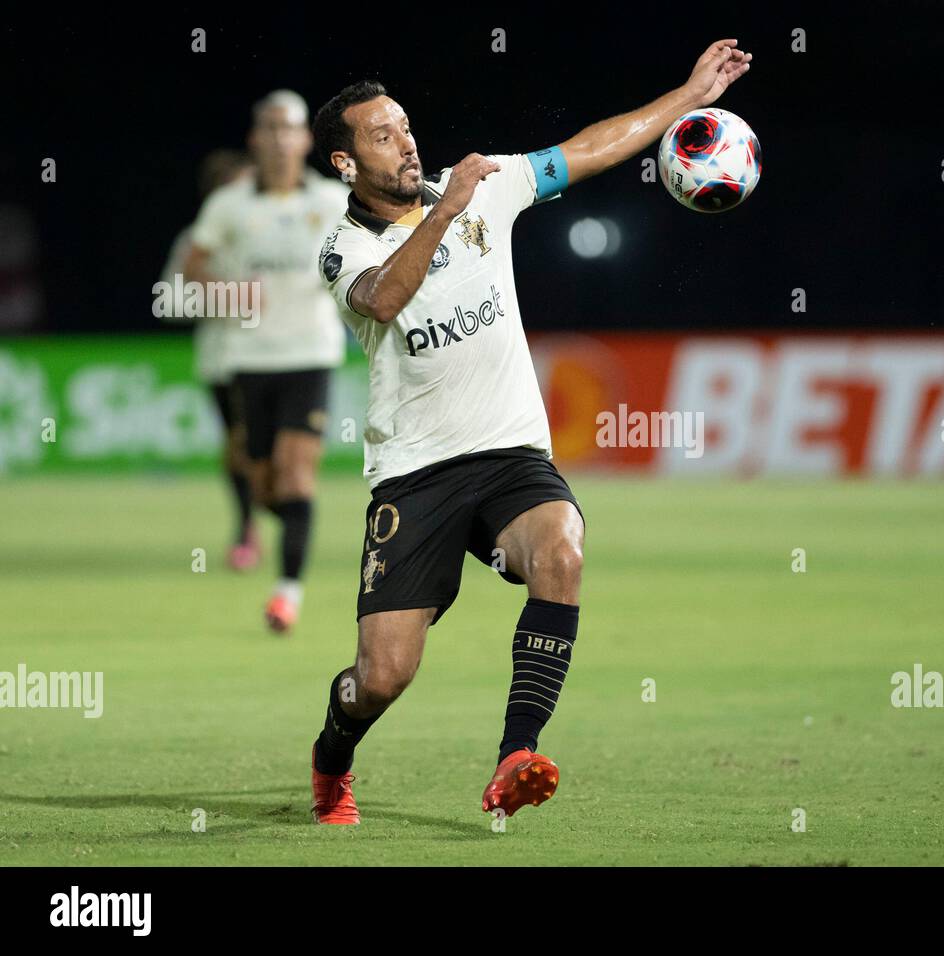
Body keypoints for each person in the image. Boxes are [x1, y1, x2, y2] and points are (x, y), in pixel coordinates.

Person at [306, 40, 752, 824]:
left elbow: (587, 149)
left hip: (510, 454)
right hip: (415, 475)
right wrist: (444, 211)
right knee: (381, 678)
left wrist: (686, 95)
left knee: (562, 549)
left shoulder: (483, 188)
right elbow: (381, 301)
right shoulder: (345, 247)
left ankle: (517, 753)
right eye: (382, 135)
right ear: (345, 163)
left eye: (405, 125)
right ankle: (332, 757)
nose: (406, 140)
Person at [183, 90, 350, 633]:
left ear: (307, 140)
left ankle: (287, 595)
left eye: (291, 129)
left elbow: (377, 248)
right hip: (248, 360)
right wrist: (231, 295)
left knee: (297, 474)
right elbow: (192, 269)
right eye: (270, 129)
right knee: (262, 484)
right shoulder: (229, 205)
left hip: (310, 355)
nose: (280, 139)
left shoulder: (330, 200)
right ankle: (293, 527)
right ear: (255, 139)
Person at [159, 149, 259, 569]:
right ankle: (246, 528)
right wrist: (227, 297)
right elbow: (168, 300)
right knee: (238, 446)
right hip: (223, 360)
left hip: (281, 355)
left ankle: (278, 523)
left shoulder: (270, 232)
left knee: (271, 450)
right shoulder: (195, 241)